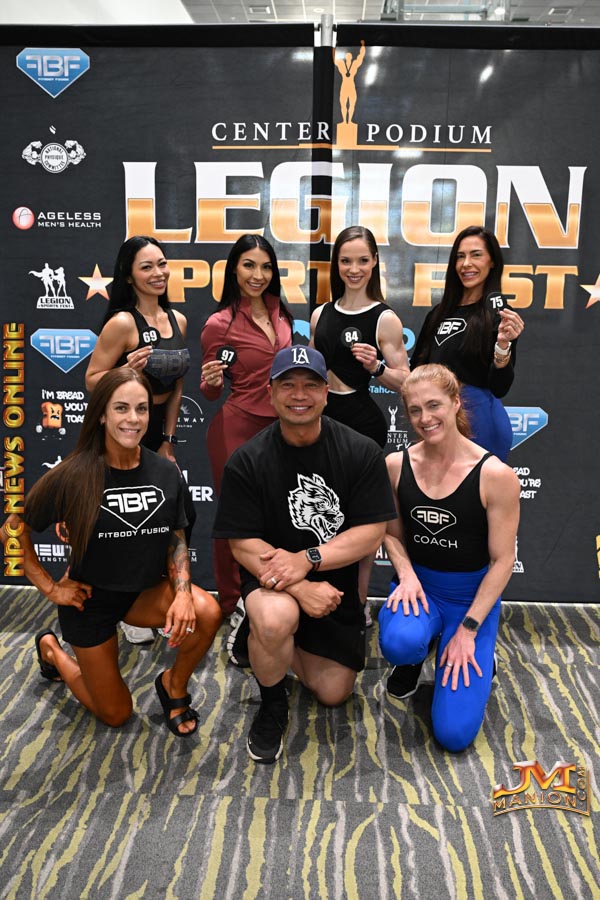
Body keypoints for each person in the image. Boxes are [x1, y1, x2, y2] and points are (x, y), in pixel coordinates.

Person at [0, 369, 222, 737]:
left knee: (207, 611)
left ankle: (173, 685)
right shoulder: (73, 474)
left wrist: (183, 593)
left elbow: (177, 534)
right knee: (117, 713)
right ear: (102, 414)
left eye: (141, 409)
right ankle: (52, 650)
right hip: (91, 601)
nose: (133, 419)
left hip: (142, 592)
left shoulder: (165, 472)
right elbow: (12, 528)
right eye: (121, 408)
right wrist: (50, 588)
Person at [213, 346, 397, 764]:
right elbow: (241, 543)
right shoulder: (248, 460)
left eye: (311, 385)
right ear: (271, 392)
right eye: (288, 385)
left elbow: (371, 533)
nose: (300, 395)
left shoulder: (360, 450)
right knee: (275, 619)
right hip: (272, 582)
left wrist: (307, 559)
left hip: (333, 585)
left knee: (334, 693)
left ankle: (260, 639)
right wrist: (297, 585)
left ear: (326, 393)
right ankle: (272, 702)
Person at [378, 364, 520, 753]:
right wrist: (406, 575)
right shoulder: (395, 466)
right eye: (414, 410)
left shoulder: (495, 475)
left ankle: (478, 655)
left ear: (456, 402)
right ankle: (419, 651)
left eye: (434, 405)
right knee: (400, 643)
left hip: (470, 601)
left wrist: (469, 630)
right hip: (420, 588)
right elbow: (390, 534)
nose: (425, 418)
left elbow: (503, 561)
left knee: (454, 735)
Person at [85, 236, 193, 644]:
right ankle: (123, 608)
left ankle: (148, 598)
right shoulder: (122, 323)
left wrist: (168, 439)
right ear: (129, 276)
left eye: (161, 264)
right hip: (123, 432)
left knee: (163, 521)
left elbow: (176, 386)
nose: (158, 273)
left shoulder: (178, 319)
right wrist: (124, 370)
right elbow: (92, 379)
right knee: (125, 524)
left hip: (155, 430)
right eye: (146, 267)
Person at [200, 234, 293, 664]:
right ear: (233, 270)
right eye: (249, 265)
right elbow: (209, 387)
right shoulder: (218, 324)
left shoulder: (281, 313)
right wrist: (211, 382)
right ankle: (234, 602)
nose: (258, 275)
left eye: (266, 266)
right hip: (236, 428)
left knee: (276, 519)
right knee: (235, 522)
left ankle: (268, 593)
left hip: (282, 430)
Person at [311, 225, 410, 622]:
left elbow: (407, 382)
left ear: (374, 263)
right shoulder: (320, 314)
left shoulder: (385, 318)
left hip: (362, 424)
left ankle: (358, 601)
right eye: (346, 261)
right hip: (320, 422)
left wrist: (377, 367)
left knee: (361, 517)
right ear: (336, 264)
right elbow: (313, 374)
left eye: (362, 260)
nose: (354, 269)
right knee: (321, 513)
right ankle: (320, 595)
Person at [410, 225, 525, 462]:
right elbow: (416, 372)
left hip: (480, 421)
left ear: (492, 262)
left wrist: (503, 345)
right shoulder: (437, 314)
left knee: (477, 484)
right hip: (437, 420)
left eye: (476, 255)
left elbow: (500, 386)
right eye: (460, 256)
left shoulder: (500, 316)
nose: (466, 264)